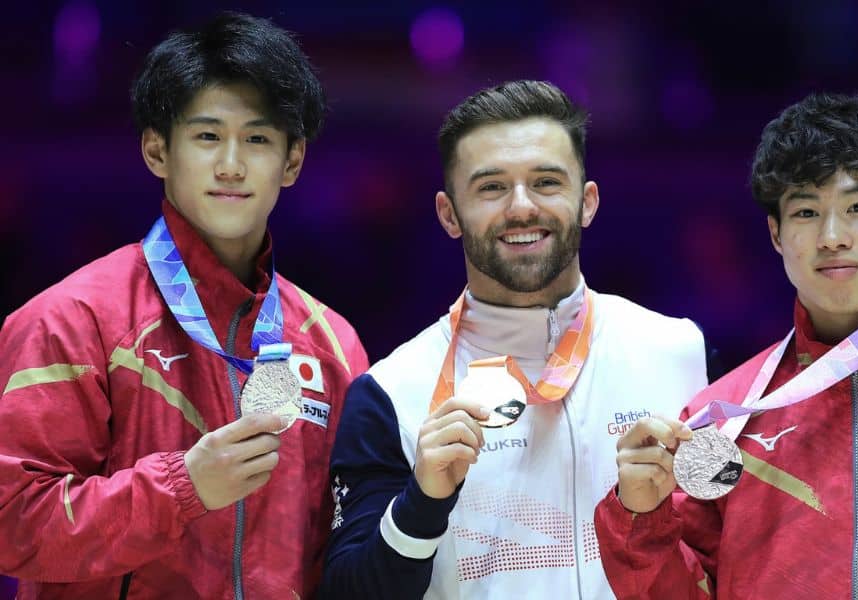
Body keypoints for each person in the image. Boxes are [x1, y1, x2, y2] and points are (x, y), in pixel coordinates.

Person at [0, 12, 367, 599]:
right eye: (206, 136)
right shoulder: (72, 320)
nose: (231, 164)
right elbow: (13, 522)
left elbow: (343, 546)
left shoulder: (333, 345)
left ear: (292, 161)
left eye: (257, 138)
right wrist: (182, 487)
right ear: (156, 150)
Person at [320, 79, 717, 599]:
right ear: (448, 214)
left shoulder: (675, 350)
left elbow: (720, 555)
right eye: (491, 187)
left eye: (547, 182)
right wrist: (421, 503)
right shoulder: (393, 392)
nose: (521, 207)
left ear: (587, 202)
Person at [596, 93, 858, 599]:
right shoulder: (723, 420)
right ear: (776, 234)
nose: (832, 236)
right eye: (807, 211)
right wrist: (641, 517)